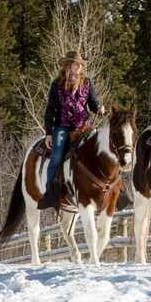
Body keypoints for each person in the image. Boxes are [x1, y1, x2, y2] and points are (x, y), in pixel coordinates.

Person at [38, 51, 105, 210]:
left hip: (83, 126)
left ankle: (115, 187)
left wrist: (99, 108)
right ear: (68, 65)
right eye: (77, 64)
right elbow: (50, 110)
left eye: (81, 64)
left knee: (101, 149)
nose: (80, 66)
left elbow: (93, 102)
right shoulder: (57, 85)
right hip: (62, 127)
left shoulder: (87, 82)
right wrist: (48, 132)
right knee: (55, 157)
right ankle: (50, 194)